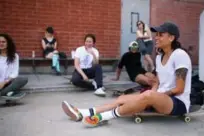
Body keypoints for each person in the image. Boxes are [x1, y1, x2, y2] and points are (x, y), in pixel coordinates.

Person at [62, 22, 192, 127]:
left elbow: (179, 89)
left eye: (161, 34)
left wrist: (154, 96)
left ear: (171, 37)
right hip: (158, 97)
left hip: (177, 102)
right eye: (156, 34)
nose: (156, 37)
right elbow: (157, 82)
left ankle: (104, 117)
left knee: (148, 95)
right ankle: (84, 112)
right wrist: (152, 94)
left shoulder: (179, 55)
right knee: (121, 99)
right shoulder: (159, 57)